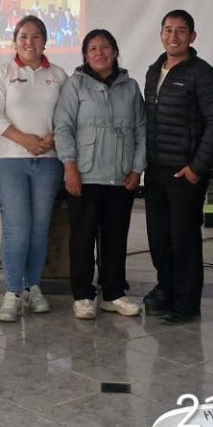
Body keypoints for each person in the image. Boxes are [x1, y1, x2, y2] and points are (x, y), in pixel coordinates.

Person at [142, 10, 213, 325]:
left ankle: (187, 301)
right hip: (156, 170)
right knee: (159, 238)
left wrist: (197, 167)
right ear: (161, 34)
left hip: (185, 173)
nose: (173, 36)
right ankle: (166, 288)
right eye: (168, 30)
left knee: (184, 239)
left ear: (192, 36)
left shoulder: (202, 74)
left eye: (181, 31)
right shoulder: (154, 70)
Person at [54, 28, 146, 319]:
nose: (99, 53)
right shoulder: (75, 85)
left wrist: (137, 168)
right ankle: (83, 295)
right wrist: (69, 166)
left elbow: (142, 130)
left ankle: (113, 293)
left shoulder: (130, 87)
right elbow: (63, 127)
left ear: (115, 52)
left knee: (115, 238)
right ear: (85, 55)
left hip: (121, 176)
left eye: (105, 47)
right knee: (82, 238)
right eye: (92, 49)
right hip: (85, 176)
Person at [0, 15, 67, 322]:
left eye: (36, 36)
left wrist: (51, 138)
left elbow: (67, 115)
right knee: (17, 228)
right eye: (23, 36)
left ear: (45, 41)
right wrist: (25, 140)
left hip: (48, 161)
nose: (29, 42)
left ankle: (33, 287)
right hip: (9, 161)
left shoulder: (58, 75)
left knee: (39, 228)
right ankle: (12, 291)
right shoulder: (2, 73)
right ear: (15, 41)